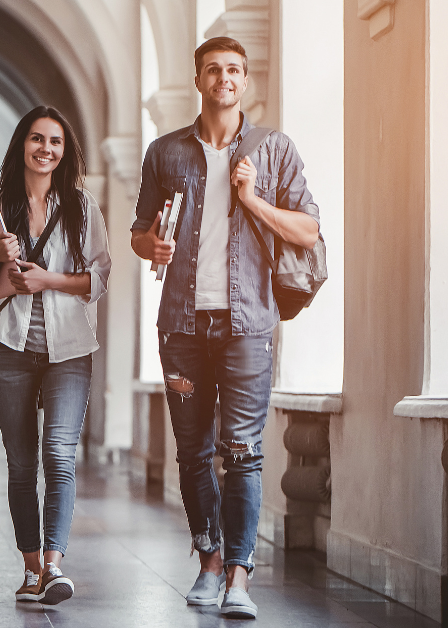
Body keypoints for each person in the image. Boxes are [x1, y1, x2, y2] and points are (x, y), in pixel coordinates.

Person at [130, 37, 320, 620]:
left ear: (245, 81)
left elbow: (308, 232)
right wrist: (150, 244)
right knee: (192, 452)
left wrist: (253, 199)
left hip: (247, 326)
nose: (225, 78)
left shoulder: (274, 150)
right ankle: (209, 562)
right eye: (214, 69)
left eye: (234, 69)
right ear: (199, 80)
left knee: (243, 452)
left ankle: (239, 575)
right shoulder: (165, 153)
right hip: (182, 327)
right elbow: (138, 232)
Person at [0, 106, 111, 606]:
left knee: (59, 455)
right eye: (36, 139)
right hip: (10, 348)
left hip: (70, 350)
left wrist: (48, 279)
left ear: (65, 152)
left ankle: (54, 564)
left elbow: (99, 278)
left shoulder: (83, 208)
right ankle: (30, 568)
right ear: (21, 145)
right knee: (22, 463)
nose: (45, 149)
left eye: (55, 142)